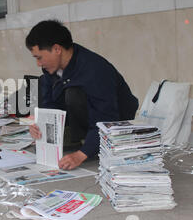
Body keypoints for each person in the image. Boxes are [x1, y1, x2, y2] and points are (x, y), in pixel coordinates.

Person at [26, 20, 139, 171]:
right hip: (84, 120)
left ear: (57, 49)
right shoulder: (51, 69)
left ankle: (89, 143)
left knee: (74, 93)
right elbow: (49, 105)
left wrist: (81, 154)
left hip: (116, 122)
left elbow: (107, 118)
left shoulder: (95, 70)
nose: (38, 64)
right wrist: (39, 127)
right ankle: (80, 140)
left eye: (39, 57)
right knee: (52, 89)